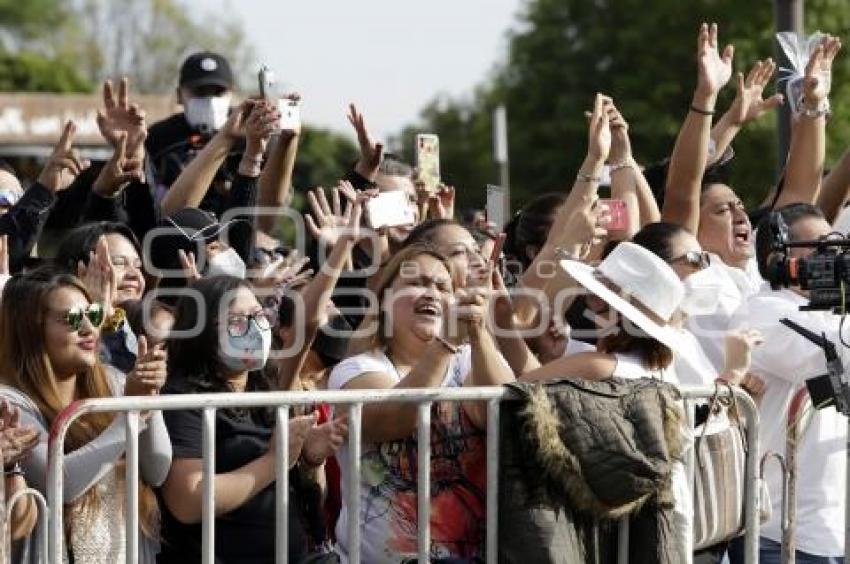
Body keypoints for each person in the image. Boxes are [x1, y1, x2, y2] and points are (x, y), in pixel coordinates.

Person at [328, 243, 512, 563]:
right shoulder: (356, 369)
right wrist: (446, 343)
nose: (431, 293)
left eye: (442, 287)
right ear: (385, 300)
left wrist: (479, 331)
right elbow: (398, 417)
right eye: (416, 283)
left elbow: (505, 412)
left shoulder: (468, 361)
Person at [158, 275, 346, 563]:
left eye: (258, 315)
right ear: (203, 331)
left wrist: (309, 458)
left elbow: (303, 496)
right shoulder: (183, 398)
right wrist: (274, 461)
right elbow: (187, 500)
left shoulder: (268, 388)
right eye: (237, 321)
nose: (255, 328)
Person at [0, 267, 171, 562]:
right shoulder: (9, 401)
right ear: (30, 330)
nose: (89, 329)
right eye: (71, 319)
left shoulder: (116, 381)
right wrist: (129, 413)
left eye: (92, 314)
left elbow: (157, 469)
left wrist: (147, 401)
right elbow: (60, 483)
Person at [728, 203, 846, 563]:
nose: (836, 258)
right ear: (780, 256)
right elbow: (834, 355)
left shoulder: (832, 315)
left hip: (827, 527)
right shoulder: (763, 310)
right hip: (778, 531)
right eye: (821, 248)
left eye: (836, 247)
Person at [146, 51, 243, 210]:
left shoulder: (248, 136)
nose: (210, 100)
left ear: (231, 93)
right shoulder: (158, 138)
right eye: (200, 92)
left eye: (218, 92)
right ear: (179, 95)